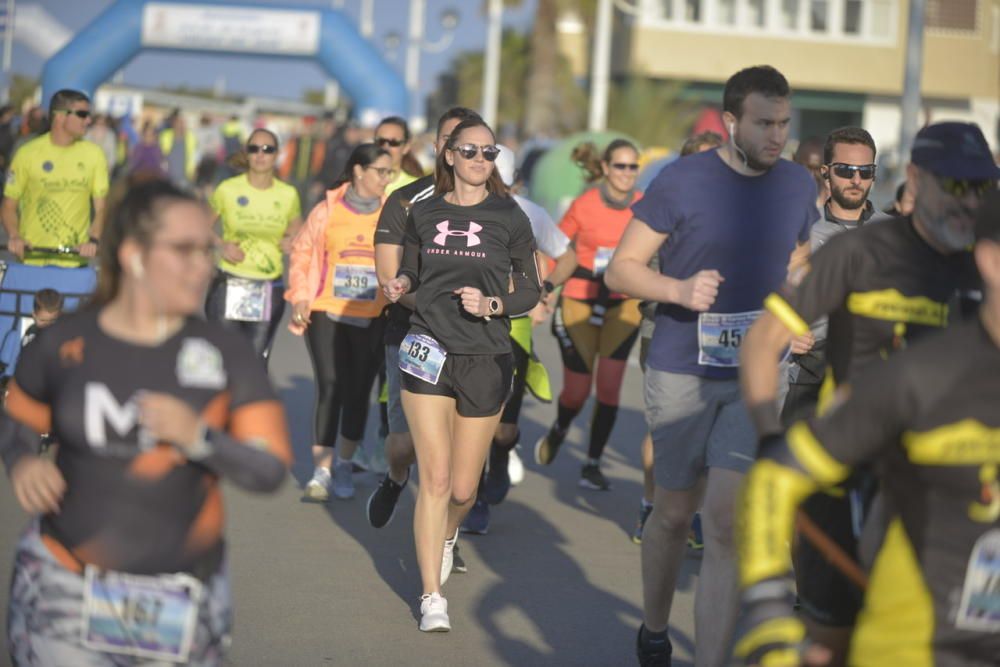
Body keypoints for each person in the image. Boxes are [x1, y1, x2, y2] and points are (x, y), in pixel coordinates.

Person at [2, 179, 292, 665]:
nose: (204, 265)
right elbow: (16, 424)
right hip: (64, 582)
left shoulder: (228, 355)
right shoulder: (62, 344)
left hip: (183, 593)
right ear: (134, 255)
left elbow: (269, 470)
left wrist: (199, 439)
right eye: (184, 250)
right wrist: (23, 464)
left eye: (208, 249)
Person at [739, 121, 995, 665]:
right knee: (834, 639)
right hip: (846, 467)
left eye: (981, 187)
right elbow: (763, 342)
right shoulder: (860, 252)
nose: (968, 202)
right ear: (918, 179)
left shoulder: (984, 267)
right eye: (955, 185)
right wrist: (768, 436)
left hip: (944, 476)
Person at [605, 65, 818, 666]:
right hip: (682, 370)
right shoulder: (681, 181)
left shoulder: (798, 185)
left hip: (757, 373)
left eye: (784, 123)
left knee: (724, 524)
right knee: (674, 515)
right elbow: (620, 269)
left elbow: (797, 254)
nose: (777, 136)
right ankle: (653, 628)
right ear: (731, 122)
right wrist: (677, 289)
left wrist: (802, 297)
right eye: (765, 123)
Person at [382, 117, 540, 632]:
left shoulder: (510, 215)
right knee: (437, 477)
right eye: (468, 151)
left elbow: (530, 290)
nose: (479, 159)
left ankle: (450, 533)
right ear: (448, 155)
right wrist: (400, 283)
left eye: (488, 152)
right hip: (428, 348)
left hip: (487, 357)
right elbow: (410, 269)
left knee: (464, 490)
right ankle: (432, 595)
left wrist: (493, 302)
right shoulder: (421, 211)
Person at [368, 107, 482, 532]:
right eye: (454, 142)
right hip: (413, 333)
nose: (463, 152)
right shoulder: (405, 200)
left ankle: (448, 535)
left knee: (457, 453)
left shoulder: (496, 206)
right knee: (402, 444)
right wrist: (438, 305)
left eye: (471, 145)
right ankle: (397, 478)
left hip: (473, 340)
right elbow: (388, 274)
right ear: (439, 149)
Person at [466, 142, 578, 533]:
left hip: (513, 326)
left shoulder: (529, 214)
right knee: (471, 417)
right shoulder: (455, 209)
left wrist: (542, 289)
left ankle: (500, 458)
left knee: (503, 426)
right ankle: (474, 495)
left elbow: (568, 257)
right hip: (464, 328)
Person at [534, 138, 643, 491]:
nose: (627, 173)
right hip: (579, 299)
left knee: (609, 388)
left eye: (633, 166)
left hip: (624, 303)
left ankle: (592, 462)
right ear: (607, 168)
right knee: (577, 393)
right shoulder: (585, 204)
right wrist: (543, 291)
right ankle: (561, 426)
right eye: (621, 166)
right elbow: (554, 247)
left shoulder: (645, 207)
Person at [632, 130, 723, 546]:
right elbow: (637, 270)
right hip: (666, 326)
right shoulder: (663, 207)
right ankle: (651, 505)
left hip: (718, 334)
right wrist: (679, 289)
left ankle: (695, 513)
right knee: (664, 424)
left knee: (707, 429)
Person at [287, 143, 392, 502]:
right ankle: (322, 471)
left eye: (389, 172)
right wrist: (300, 295)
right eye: (381, 171)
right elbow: (302, 252)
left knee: (357, 391)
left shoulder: (392, 213)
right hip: (326, 308)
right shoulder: (327, 210)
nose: (386, 179)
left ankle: (345, 462)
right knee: (330, 385)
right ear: (359, 171)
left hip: (372, 314)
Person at [782, 126, 892, 426]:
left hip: (871, 378)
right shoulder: (798, 227)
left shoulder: (895, 234)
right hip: (805, 374)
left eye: (865, 171)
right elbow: (763, 295)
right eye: (846, 170)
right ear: (826, 172)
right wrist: (783, 333)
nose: (856, 180)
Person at [205, 129, 302, 361]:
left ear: (277, 154)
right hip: (229, 281)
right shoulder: (228, 189)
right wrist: (220, 246)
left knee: (255, 360)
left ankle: (250, 397)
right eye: (254, 149)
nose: (261, 154)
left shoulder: (287, 194)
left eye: (267, 149)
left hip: (267, 286)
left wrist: (293, 241)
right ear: (246, 154)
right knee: (223, 358)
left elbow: (300, 231)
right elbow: (201, 226)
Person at [2, 89, 108, 267]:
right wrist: (15, 236)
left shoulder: (94, 154)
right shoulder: (27, 153)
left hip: (74, 263)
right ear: (59, 117)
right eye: (82, 114)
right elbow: (8, 205)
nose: (88, 120)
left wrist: (93, 240)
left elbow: (102, 208)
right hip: (32, 260)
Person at [374, 116, 422, 195]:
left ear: (406, 147)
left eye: (393, 142)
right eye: (381, 141)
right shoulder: (360, 181)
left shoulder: (416, 187)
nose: (386, 147)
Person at [160, 109, 199, 190]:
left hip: (185, 178)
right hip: (166, 178)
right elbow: (159, 155)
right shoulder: (165, 136)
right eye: (179, 122)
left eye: (184, 122)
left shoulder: (191, 138)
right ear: (174, 123)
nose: (181, 125)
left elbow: (195, 157)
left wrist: (194, 171)